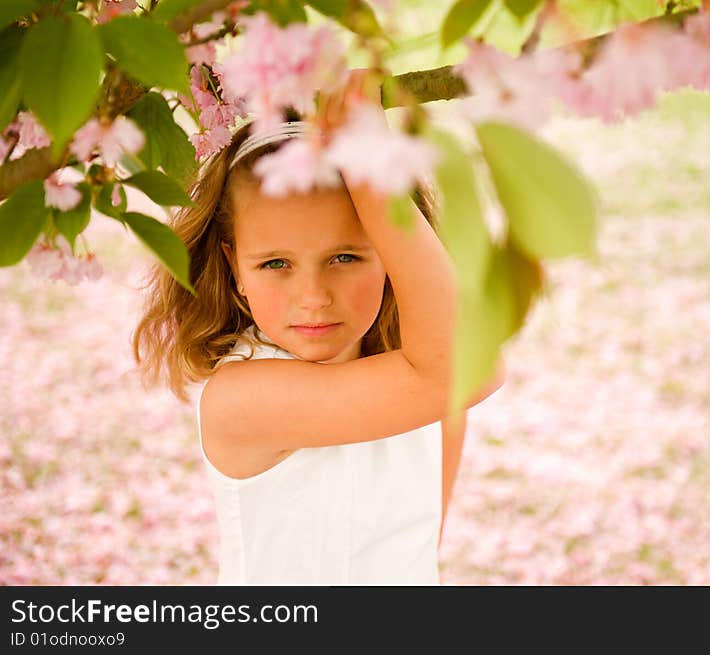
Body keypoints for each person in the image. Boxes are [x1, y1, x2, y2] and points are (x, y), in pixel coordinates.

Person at [131, 69, 506, 584]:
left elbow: (418, 554)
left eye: (345, 256)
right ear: (234, 267)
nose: (313, 297)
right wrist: (372, 170)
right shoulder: (240, 398)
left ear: (393, 252)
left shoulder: (424, 388)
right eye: (275, 264)